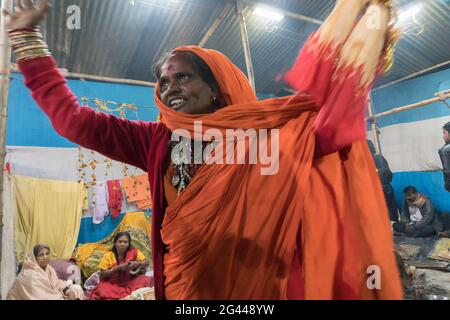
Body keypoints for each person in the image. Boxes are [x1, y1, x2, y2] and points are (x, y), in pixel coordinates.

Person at [4, 0, 403, 299]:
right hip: (181, 291)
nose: (169, 87)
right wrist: (27, 40)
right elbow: (73, 120)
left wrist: (362, 31)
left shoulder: (260, 140)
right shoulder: (154, 141)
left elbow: (328, 130)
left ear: (215, 88)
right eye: (162, 81)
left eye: (183, 77)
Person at [7, 244, 85, 300]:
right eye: (41, 255)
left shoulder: (49, 269)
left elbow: (56, 283)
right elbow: (42, 297)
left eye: (47, 254)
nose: (45, 257)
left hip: (53, 295)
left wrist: (67, 290)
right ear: (34, 258)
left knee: (77, 290)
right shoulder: (30, 276)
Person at [89, 232, 152, 300]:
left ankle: (127, 294)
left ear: (128, 244)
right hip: (112, 283)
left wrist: (138, 263)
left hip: (129, 282)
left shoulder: (134, 251)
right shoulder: (108, 256)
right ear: (115, 243)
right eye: (120, 242)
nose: (122, 244)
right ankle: (126, 295)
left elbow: (146, 262)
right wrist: (117, 268)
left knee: (145, 279)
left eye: (125, 242)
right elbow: (102, 275)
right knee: (102, 289)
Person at [367, 140, 399, 221]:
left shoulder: (371, 160)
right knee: (390, 211)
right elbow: (389, 175)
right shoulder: (380, 158)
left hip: (378, 190)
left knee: (384, 213)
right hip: (386, 188)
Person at [438, 122, 450, 192]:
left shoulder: (444, 150)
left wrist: (448, 186)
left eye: (444, 133)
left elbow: (448, 171)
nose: (443, 136)